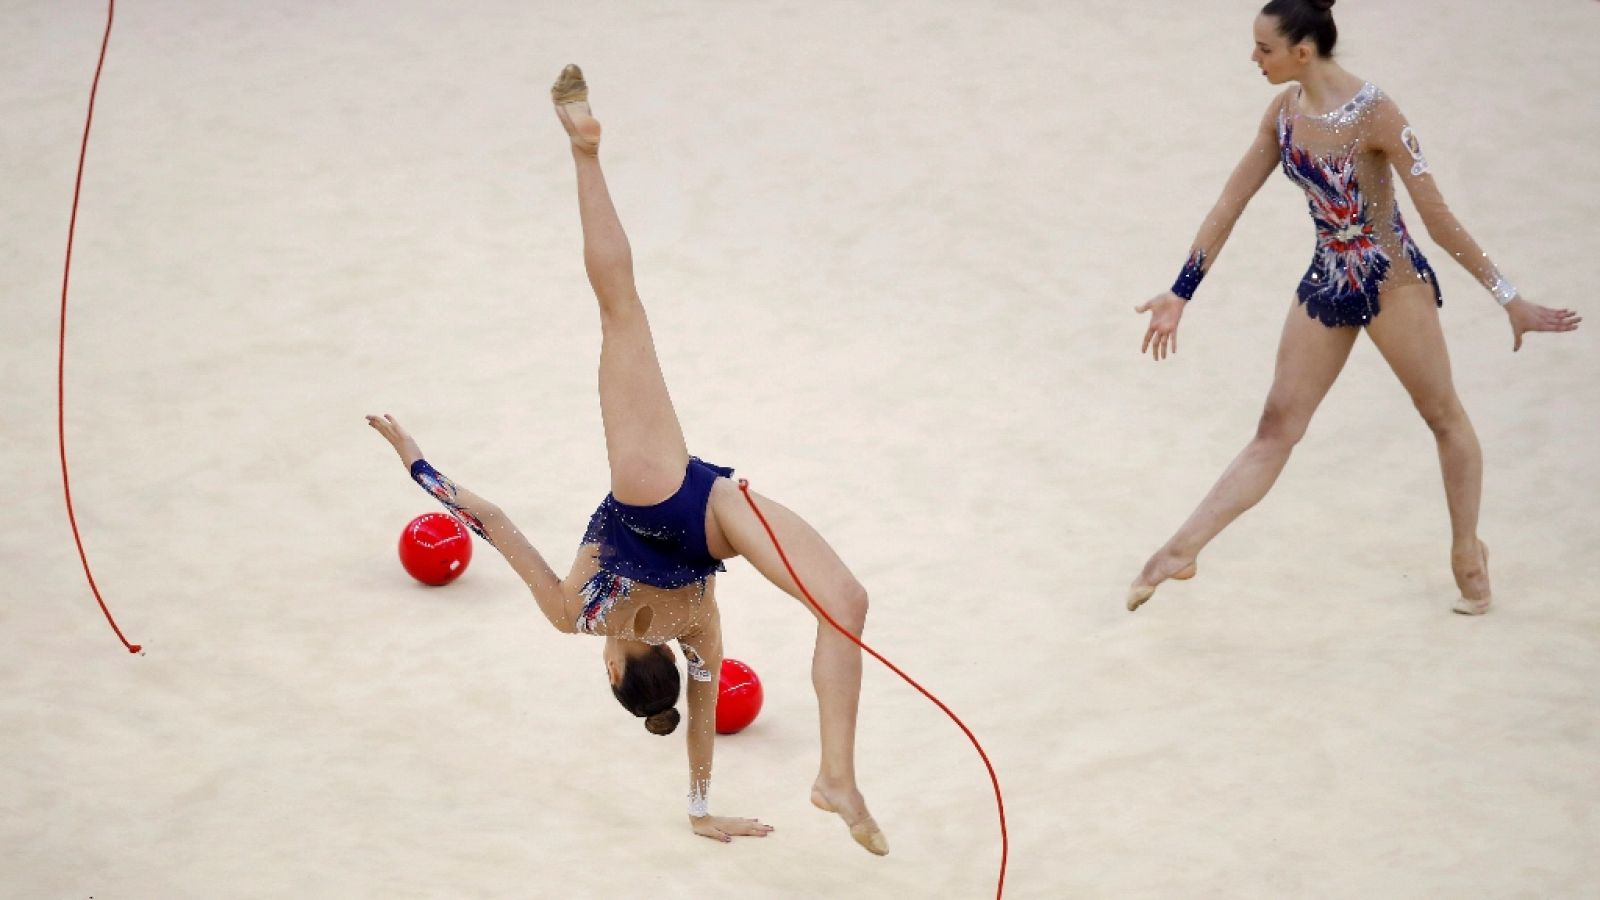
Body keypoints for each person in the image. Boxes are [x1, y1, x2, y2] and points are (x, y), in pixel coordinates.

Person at [366, 65, 887, 854]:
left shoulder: (700, 634)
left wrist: (701, 806)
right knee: (620, 310)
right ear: (613, 673)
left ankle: (837, 779)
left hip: (707, 516)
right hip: (669, 494)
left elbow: (703, 713)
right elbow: (494, 521)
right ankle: (584, 151)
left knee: (845, 601)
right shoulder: (576, 617)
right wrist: (417, 463)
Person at [1128, 0, 1581, 615]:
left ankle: (1467, 553)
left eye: (1264, 49)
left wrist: (1509, 298)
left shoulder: (1377, 114)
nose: (1254, 59)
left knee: (1443, 416)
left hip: (1394, 282)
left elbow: (1438, 218)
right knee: (1276, 429)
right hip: (1329, 282)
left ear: (1302, 52)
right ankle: (1178, 551)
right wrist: (1182, 292)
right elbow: (1230, 200)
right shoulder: (1283, 113)